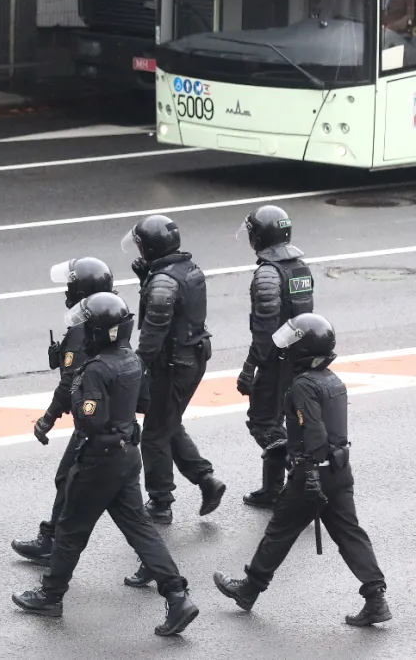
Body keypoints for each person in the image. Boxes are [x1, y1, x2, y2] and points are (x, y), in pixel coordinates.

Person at [13, 291, 200, 638]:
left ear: (100, 332)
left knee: (70, 529)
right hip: (128, 455)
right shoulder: (132, 360)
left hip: (98, 459)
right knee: (140, 529)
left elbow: (91, 421)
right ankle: (177, 595)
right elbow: (143, 402)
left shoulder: (95, 369)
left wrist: (76, 392)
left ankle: (51, 595)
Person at [214, 313, 390, 627]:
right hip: (339, 471)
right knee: (350, 533)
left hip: (312, 472)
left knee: (279, 532)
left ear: (303, 349)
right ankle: (376, 598)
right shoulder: (333, 380)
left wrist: (307, 473)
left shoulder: (303, 385)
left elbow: (314, 432)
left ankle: (249, 590)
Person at [122, 214, 226, 526]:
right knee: (168, 423)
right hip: (192, 358)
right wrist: (146, 280)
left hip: (172, 365)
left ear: (150, 248)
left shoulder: (163, 282)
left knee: (154, 434)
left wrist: (135, 372)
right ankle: (206, 479)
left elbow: (153, 336)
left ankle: (160, 502)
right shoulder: (188, 269)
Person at [11, 256, 114, 566]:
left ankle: (52, 543)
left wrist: (47, 418)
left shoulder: (85, 330)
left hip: (95, 423)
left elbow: (71, 384)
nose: (66, 292)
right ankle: (154, 563)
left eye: (70, 286)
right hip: (111, 419)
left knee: (69, 479)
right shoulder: (108, 316)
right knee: (125, 506)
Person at [235, 205, 313, 509]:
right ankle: (273, 489)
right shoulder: (299, 266)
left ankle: (302, 482)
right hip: (298, 355)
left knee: (264, 423)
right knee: (279, 420)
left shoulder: (268, 273)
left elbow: (266, 333)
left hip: (277, 360)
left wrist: (249, 369)